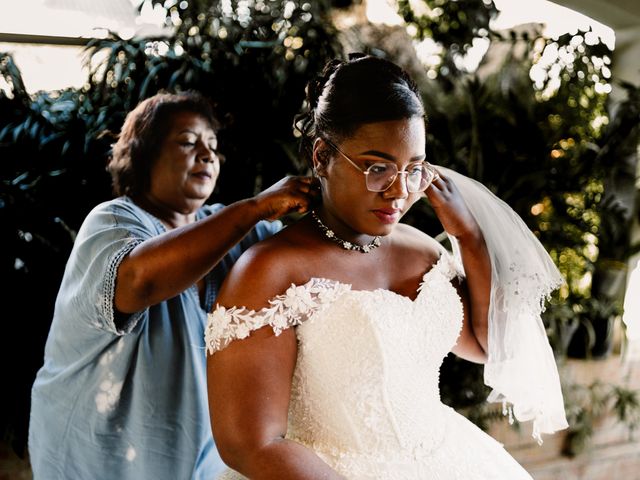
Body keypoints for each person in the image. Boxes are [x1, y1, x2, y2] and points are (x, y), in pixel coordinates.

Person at [204, 54, 569, 479]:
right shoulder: (270, 271)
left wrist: (468, 237)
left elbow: (485, 344)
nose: (399, 191)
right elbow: (250, 445)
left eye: (413, 169)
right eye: (378, 168)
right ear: (322, 156)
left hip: (449, 459)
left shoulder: (423, 252)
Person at [28, 91, 317, 480]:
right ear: (144, 155)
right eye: (187, 142)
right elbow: (139, 280)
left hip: (198, 463)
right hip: (98, 461)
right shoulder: (112, 223)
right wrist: (255, 206)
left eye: (213, 146)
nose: (206, 154)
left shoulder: (239, 233)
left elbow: (316, 254)